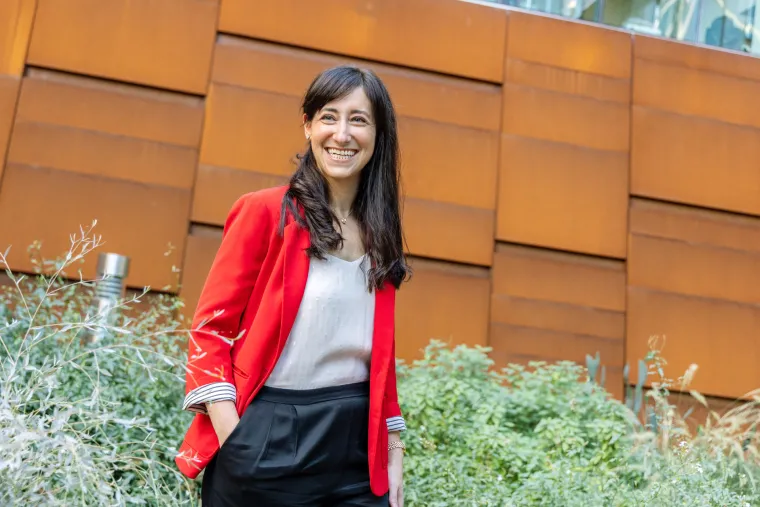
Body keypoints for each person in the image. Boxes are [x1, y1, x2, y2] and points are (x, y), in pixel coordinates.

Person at [174, 64, 410, 507]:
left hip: (358, 448)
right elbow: (209, 331)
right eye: (328, 117)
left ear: (379, 135)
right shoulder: (264, 212)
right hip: (269, 436)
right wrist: (236, 439)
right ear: (307, 126)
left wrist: (394, 447)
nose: (342, 134)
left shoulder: (380, 232)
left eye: (358, 119)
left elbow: (378, 355)